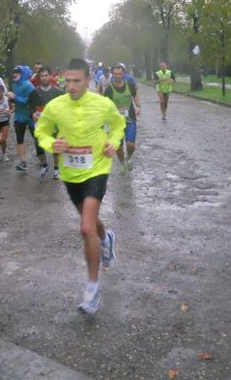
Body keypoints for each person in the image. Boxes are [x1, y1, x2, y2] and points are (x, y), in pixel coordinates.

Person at [35, 58, 126, 315]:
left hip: (97, 169)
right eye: (67, 81)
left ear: (88, 80)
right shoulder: (55, 106)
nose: (71, 86)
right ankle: (106, 238)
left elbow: (119, 125)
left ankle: (93, 287)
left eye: (77, 81)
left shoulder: (102, 104)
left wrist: (113, 143)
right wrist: (51, 144)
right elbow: (41, 131)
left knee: (86, 227)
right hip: (71, 174)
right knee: (92, 224)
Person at [27, 67, 65, 179]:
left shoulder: (58, 92)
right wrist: (32, 114)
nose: (44, 78)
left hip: (54, 123)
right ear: (39, 77)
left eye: (46, 75)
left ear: (50, 76)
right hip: (40, 123)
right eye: (42, 76)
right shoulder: (34, 93)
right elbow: (30, 107)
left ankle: (57, 169)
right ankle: (44, 165)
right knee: (39, 145)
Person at [104, 64, 141, 172]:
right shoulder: (109, 89)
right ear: (113, 74)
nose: (118, 76)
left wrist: (138, 106)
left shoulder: (129, 85)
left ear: (123, 73)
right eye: (116, 74)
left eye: (120, 74)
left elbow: (135, 95)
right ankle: (121, 163)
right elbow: (105, 107)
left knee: (130, 144)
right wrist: (105, 125)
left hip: (130, 119)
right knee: (118, 147)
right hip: (115, 123)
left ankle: (128, 158)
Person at [7, 65, 39, 171]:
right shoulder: (14, 85)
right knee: (19, 139)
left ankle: (41, 155)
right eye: (13, 72)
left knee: (37, 138)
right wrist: (10, 100)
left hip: (30, 116)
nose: (14, 74)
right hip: (19, 116)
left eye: (17, 72)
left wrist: (15, 97)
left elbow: (31, 101)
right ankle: (23, 162)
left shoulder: (29, 86)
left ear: (22, 74)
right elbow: (14, 99)